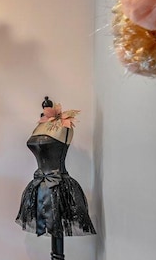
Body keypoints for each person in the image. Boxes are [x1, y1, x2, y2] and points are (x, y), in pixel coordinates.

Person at [15, 101, 96, 237]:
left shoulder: (65, 126)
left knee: (58, 231)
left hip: (60, 186)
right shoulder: (40, 126)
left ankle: (59, 258)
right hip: (37, 187)